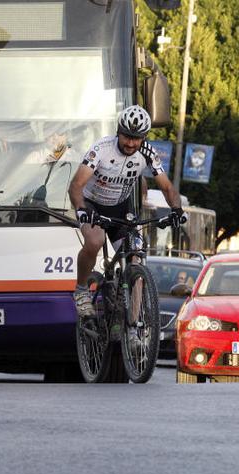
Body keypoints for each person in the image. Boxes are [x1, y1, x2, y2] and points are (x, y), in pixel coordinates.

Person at [68, 105, 186, 317]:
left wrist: (177, 209)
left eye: (137, 138)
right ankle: (81, 289)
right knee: (95, 241)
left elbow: (167, 187)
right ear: (118, 132)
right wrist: (81, 210)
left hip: (120, 208)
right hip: (92, 204)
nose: (131, 143)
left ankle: (133, 324)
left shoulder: (148, 153)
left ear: (144, 137)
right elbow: (76, 185)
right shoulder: (101, 149)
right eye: (127, 137)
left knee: (137, 257)